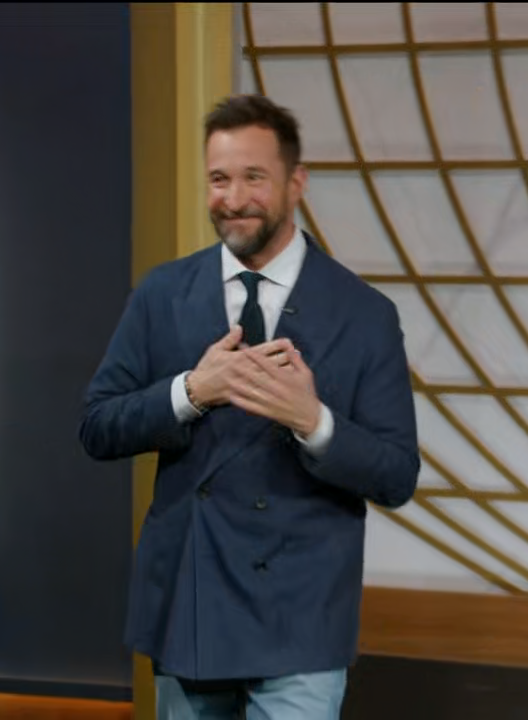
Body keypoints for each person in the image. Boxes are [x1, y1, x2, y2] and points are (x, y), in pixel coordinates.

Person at [79, 94, 420, 719]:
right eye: (219, 179)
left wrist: (313, 421)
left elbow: (397, 475)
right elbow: (98, 426)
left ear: (296, 183)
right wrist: (190, 391)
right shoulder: (163, 293)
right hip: (191, 603)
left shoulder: (364, 314)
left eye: (253, 178)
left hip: (303, 615)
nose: (234, 199)